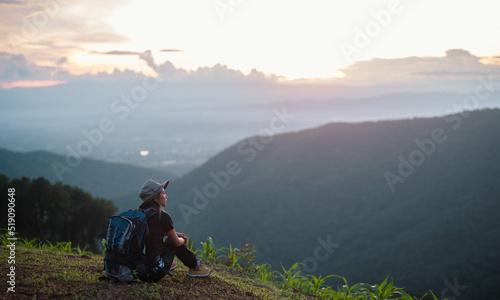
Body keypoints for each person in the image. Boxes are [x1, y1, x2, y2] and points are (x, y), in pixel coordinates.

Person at [137, 179, 211, 282]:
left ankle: (167, 260)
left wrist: (173, 234)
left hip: (138, 270)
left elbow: (153, 233)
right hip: (153, 273)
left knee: (171, 239)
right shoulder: (163, 216)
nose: (166, 196)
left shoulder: (140, 214)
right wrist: (182, 239)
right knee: (172, 241)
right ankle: (196, 267)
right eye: (163, 193)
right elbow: (175, 242)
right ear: (155, 198)